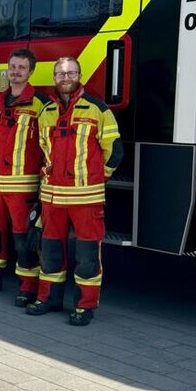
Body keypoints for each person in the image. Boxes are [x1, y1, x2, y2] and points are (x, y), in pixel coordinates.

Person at [27, 56, 123, 326]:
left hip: (86, 197)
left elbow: (114, 149)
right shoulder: (45, 111)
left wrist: (97, 177)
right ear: (54, 77)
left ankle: (84, 305)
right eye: (60, 73)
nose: (65, 78)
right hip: (52, 196)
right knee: (50, 251)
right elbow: (44, 152)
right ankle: (48, 299)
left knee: (87, 255)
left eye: (71, 73)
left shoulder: (97, 108)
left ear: (79, 76)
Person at [0, 48, 50, 305]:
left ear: (31, 72)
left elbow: (49, 147)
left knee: (23, 239)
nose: (16, 71)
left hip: (22, 187)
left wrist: (43, 189)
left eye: (21, 68)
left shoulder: (41, 104)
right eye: (13, 66)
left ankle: (27, 288)